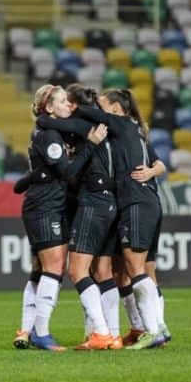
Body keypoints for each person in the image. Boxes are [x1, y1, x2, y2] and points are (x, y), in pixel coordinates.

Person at [15, 84, 107, 351]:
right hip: (45, 207)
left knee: (45, 270)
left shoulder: (52, 130)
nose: (69, 104)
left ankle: (30, 329)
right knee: (53, 268)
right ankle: (40, 333)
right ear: (50, 108)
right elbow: (67, 172)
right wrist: (90, 146)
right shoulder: (50, 135)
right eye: (63, 101)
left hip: (50, 205)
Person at [74, 89, 168, 349]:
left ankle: (155, 329)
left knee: (135, 269)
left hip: (136, 202)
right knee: (139, 270)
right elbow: (161, 164)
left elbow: (84, 111)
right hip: (146, 201)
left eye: (102, 106)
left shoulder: (121, 123)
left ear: (115, 109)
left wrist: (70, 103)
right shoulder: (133, 131)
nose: (99, 110)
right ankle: (151, 328)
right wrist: (152, 171)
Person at [34, 84, 121, 350]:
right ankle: (112, 334)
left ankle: (102, 333)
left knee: (77, 270)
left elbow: (68, 171)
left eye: (66, 102)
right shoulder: (108, 129)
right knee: (102, 272)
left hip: (93, 203)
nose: (66, 107)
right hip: (111, 203)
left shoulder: (83, 128)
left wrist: (42, 117)